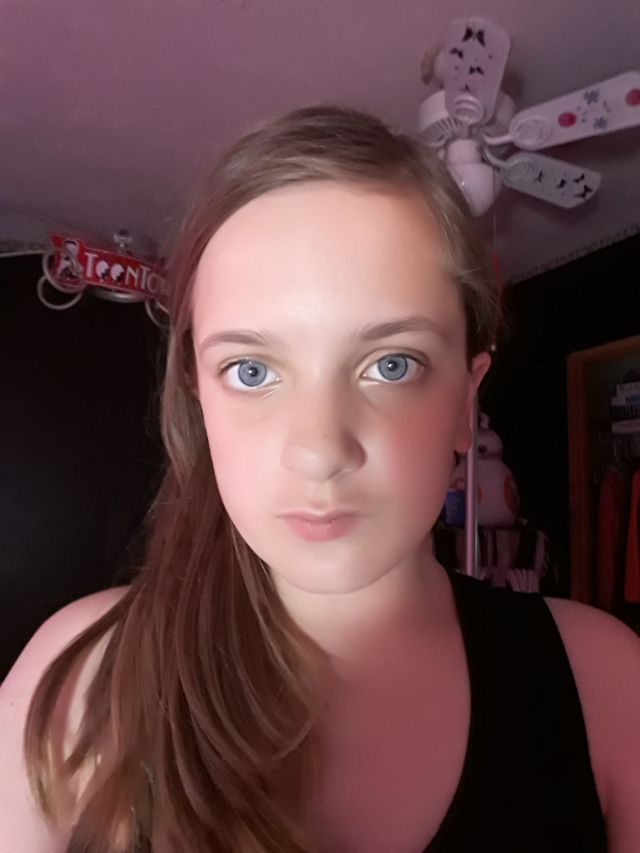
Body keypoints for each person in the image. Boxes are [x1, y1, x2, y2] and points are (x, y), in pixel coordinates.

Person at [1, 104, 639, 853]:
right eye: (252, 370)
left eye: (391, 365)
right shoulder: (79, 682)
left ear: (466, 401)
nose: (320, 450)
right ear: (200, 399)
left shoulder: (605, 685)